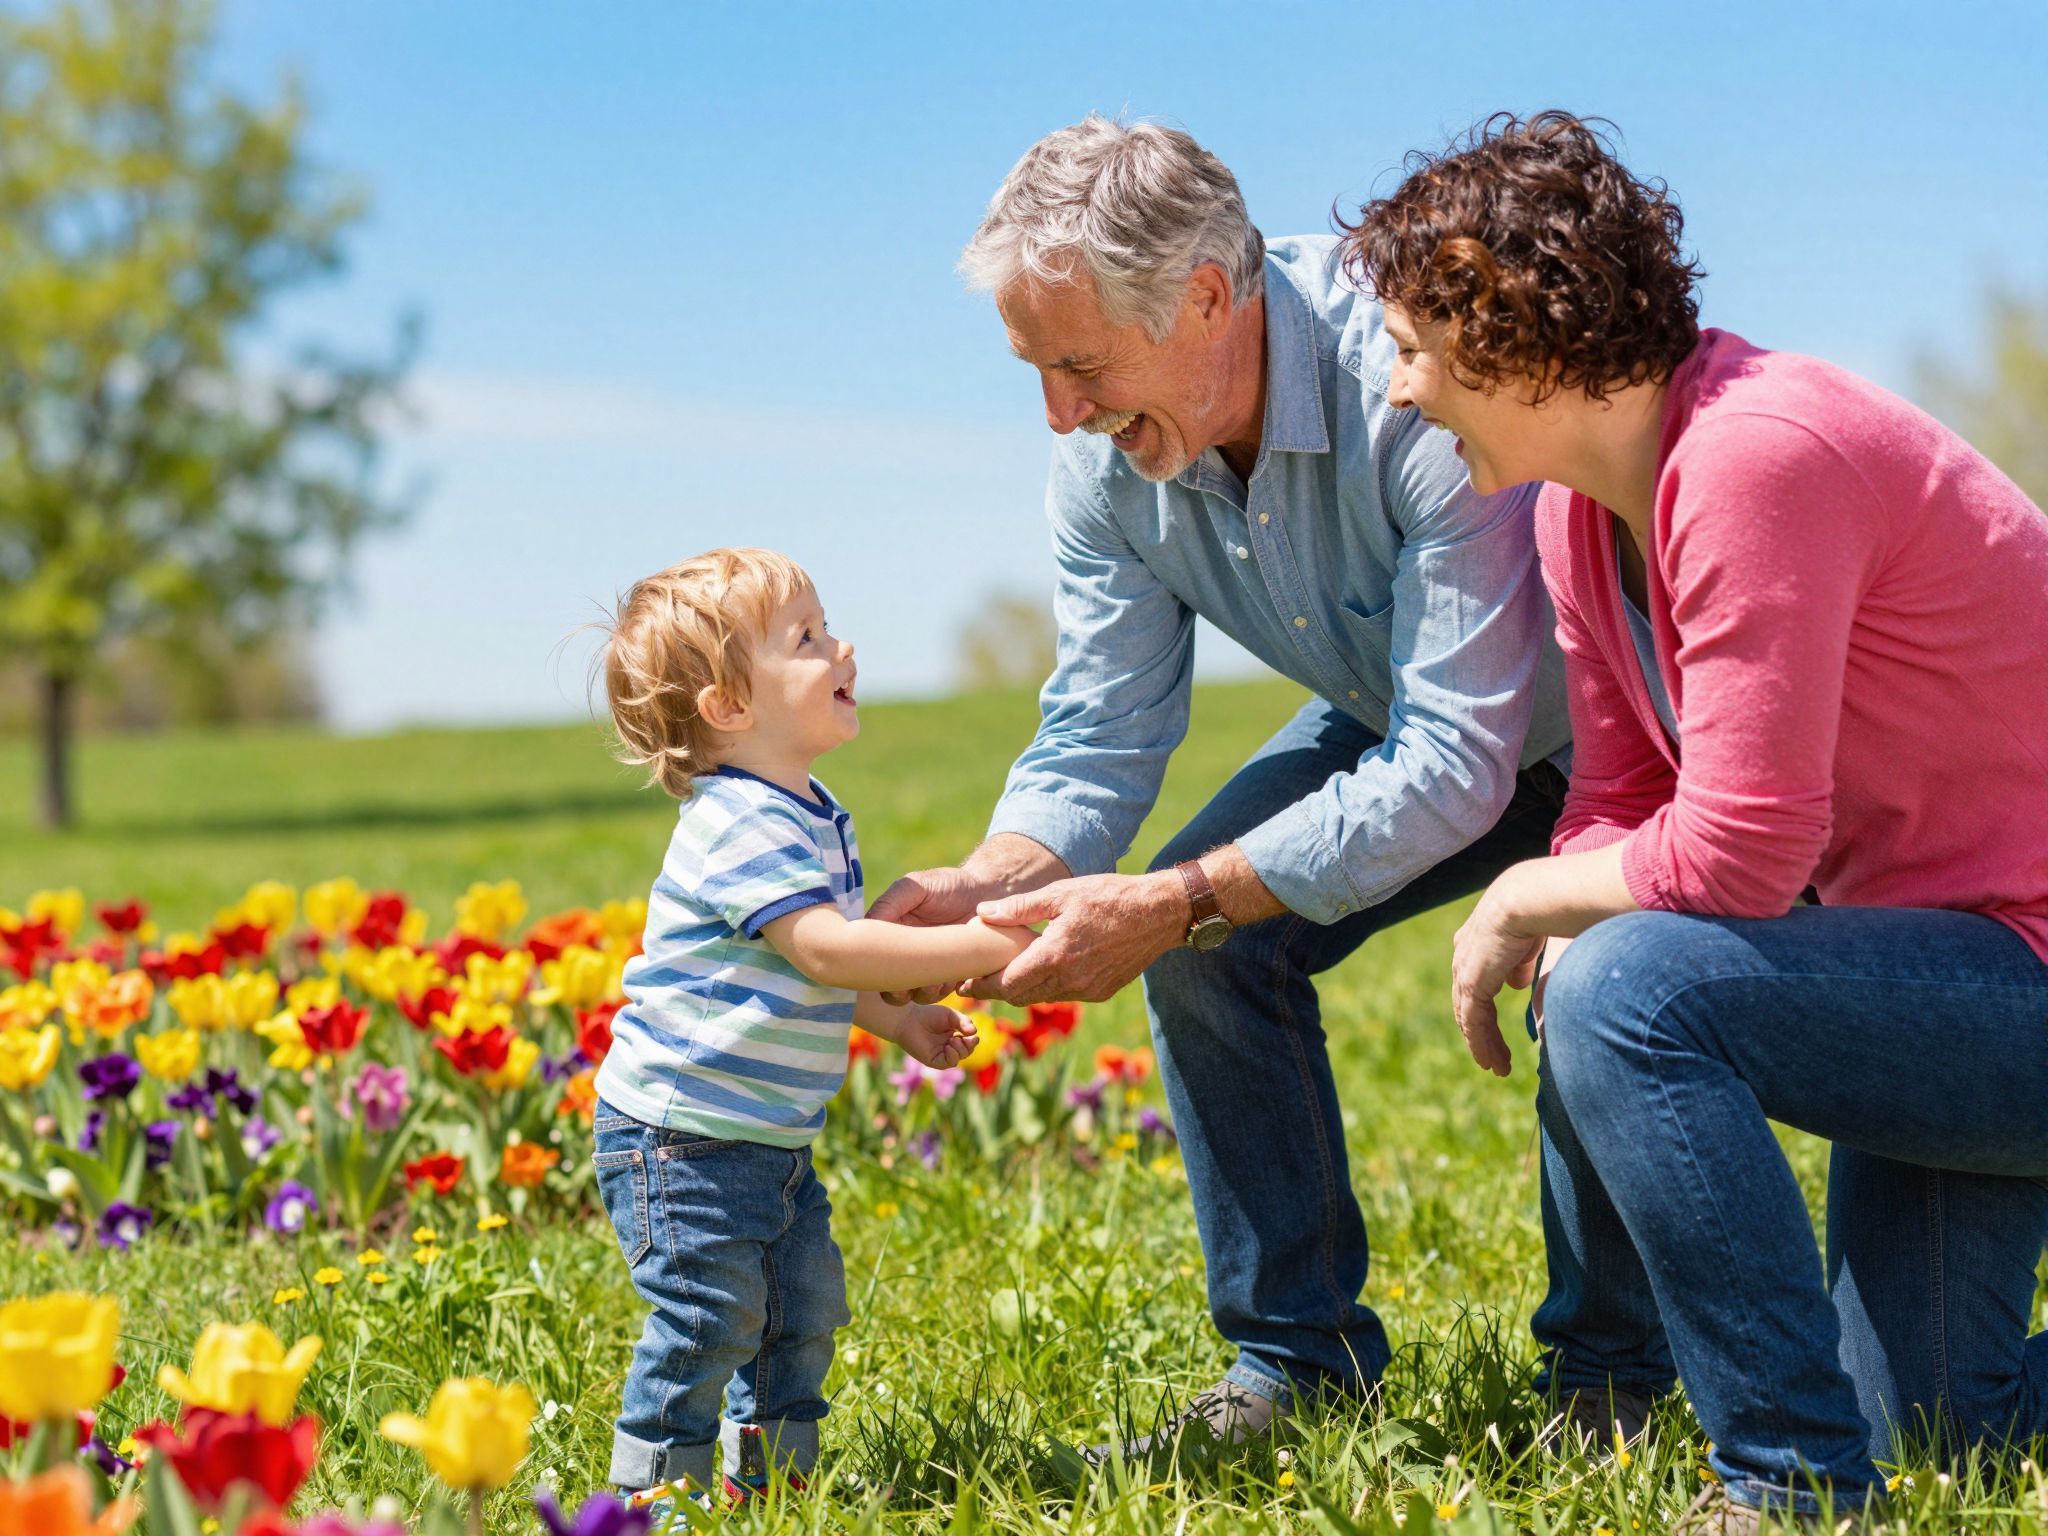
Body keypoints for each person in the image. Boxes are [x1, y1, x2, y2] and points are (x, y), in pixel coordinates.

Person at [1343, 111, 2048, 1530]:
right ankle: (1837, 1445)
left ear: (1514, 332)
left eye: (1414, 347)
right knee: (1944, 1426)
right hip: (1932, 963)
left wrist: (1527, 904)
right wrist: (1563, 903)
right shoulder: (1579, 515)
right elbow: (1621, 796)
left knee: (1631, 988)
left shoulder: (1753, 457)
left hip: (2012, 968)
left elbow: (1744, 853)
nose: (1399, 390)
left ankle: (1788, 1486)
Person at [869, 115, 1573, 1457]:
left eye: (1080, 365)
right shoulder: (1102, 460)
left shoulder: (1411, 377)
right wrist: (993, 880)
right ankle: (1298, 1366)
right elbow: (1101, 724)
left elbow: (1457, 759)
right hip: (1402, 718)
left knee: (1587, 982)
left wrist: (1179, 897)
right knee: (1204, 950)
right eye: (1035, 368)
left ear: (1204, 296)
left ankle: (1609, 1382)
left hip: (1611, 736)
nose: (1059, 413)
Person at [589, 547, 1032, 1510]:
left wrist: (898, 1023)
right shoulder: (739, 822)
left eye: (826, 628)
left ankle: (774, 1485)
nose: (843, 649)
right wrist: (983, 938)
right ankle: (650, 1501)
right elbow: (828, 949)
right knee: (710, 1318)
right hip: (682, 1138)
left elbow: (805, 970)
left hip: (765, 1136)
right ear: (727, 706)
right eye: (807, 639)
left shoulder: (808, 813)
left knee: (802, 1310)